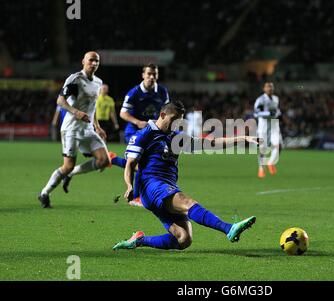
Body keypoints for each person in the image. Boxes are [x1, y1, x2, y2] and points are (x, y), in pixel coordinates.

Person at [112, 101, 257, 251]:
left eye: (180, 120)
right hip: (152, 186)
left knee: (183, 239)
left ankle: (139, 240)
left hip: (166, 186)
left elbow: (209, 143)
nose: (177, 123)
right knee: (187, 202)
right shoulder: (144, 134)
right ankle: (228, 228)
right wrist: (129, 185)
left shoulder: (176, 137)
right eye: (174, 119)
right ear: (162, 115)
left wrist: (242, 139)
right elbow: (130, 163)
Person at [38, 51, 110, 208]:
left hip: (88, 129)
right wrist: (76, 112)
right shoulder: (75, 79)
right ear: (83, 61)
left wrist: (97, 126)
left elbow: (93, 106)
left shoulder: (98, 82)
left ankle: (71, 174)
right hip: (71, 129)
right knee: (67, 165)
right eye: (91, 60)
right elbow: (60, 100)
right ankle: (44, 193)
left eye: (97, 61)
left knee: (104, 160)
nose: (94, 63)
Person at [109, 63, 170, 207]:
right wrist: (137, 122)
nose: (151, 77)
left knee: (143, 163)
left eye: (154, 74)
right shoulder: (134, 92)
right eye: (148, 74)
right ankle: (135, 196)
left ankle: (113, 159)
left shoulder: (162, 91)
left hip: (154, 133)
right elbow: (123, 113)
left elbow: (167, 111)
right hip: (135, 132)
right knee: (142, 163)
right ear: (143, 75)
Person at [254, 82, 282, 178]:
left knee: (279, 144)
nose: (270, 88)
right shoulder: (261, 100)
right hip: (263, 125)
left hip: (274, 124)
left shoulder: (276, 99)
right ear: (264, 89)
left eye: (271, 87)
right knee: (263, 148)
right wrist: (268, 113)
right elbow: (256, 113)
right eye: (268, 87)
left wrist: (277, 113)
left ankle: (270, 162)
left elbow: (277, 110)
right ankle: (261, 169)